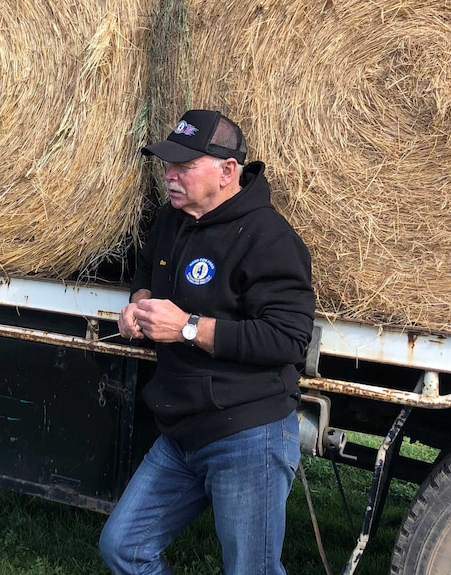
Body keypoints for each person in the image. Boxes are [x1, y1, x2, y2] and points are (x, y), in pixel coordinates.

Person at [99, 110, 315, 574]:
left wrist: (188, 328)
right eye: (167, 165)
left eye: (183, 166)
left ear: (227, 171)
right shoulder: (170, 220)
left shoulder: (268, 237)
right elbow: (144, 273)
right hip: (181, 431)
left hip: (247, 433)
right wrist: (137, 305)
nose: (170, 177)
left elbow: (287, 339)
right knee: (124, 546)